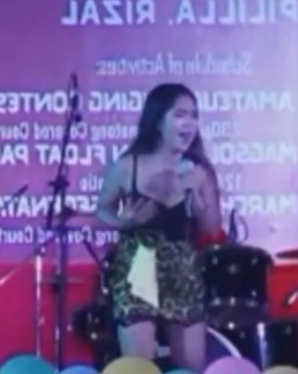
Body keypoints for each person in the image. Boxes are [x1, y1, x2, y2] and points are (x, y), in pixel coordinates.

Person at [95, 82, 226, 372]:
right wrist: (126, 222)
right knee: (139, 365)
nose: (189, 123)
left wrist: (198, 198)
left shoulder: (199, 171)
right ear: (158, 121)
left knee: (189, 367)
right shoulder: (127, 166)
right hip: (139, 262)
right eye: (180, 115)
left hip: (182, 265)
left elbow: (212, 228)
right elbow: (102, 209)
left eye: (194, 115)